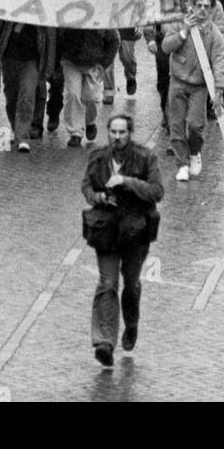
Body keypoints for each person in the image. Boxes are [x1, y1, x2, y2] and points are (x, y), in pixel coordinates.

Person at [81, 113, 164, 366]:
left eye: (122, 132)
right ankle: (104, 341)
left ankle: (132, 324)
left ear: (130, 133)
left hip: (135, 232)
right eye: (113, 132)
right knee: (107, 283)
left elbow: (157, 191)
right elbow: (86, 187)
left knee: (130, 285)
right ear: (108, 133)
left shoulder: (146, 157)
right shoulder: (97, 157)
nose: (117, 137)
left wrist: (126, 182)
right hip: (106, 230)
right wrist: (99, 198)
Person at [163, 0, 224, 182]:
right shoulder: (180, 24)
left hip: (199, 86)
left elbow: (219, 61)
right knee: (176, 125)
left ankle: (195, 152)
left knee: (195, 125)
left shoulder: (214, 35)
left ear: (211, 9)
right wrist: (183, 32)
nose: (202, 10)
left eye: (206, 6)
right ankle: (182, 164)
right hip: (178, 81)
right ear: (193, 6)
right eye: (198, 5)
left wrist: (218, 89)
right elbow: (166, 47)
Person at [0, 19, 44, 152]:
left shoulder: (40, 8)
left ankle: (22, 137)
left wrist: (49, 65)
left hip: (31, 60)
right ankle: (15, 127)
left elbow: (49, 36)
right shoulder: (9, 3)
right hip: (9, 57)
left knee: (27, 96)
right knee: (11, 96)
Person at [59, 25, 119, 148]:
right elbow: (58, 36)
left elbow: (114, 41)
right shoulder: (69, 16)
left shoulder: (103, 20)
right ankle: (75, 132)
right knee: (73, 95)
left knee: (90, 97)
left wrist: (104, 64)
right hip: (71, 61)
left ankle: (90, 121)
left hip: (94, 64)